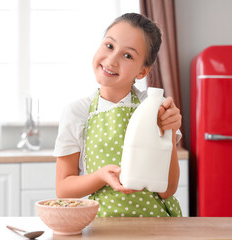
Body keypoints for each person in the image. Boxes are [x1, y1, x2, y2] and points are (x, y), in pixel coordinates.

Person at [53, 13, 182, 217]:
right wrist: (101, 176)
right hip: (102, 227)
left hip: (157, 226)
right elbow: (63, 188)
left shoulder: (154, 108)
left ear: (143, 71)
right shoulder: (77, 112)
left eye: (128, 55)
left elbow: (167, 190)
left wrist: (169, 130)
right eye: (110, 46)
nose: (111, 60)